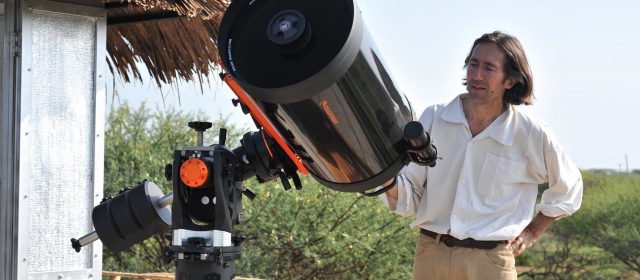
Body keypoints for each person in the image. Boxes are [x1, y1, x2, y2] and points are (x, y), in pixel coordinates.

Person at [379, 31, 583, 280]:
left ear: (510, 80)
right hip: (430, 256)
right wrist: (379, 177)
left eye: (488, 68)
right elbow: (409, 193)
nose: (476, 74)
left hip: (491, 265)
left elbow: (569, 187)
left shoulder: (530, 133)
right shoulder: (434, 118)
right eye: (473, 64)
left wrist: (532, 232)